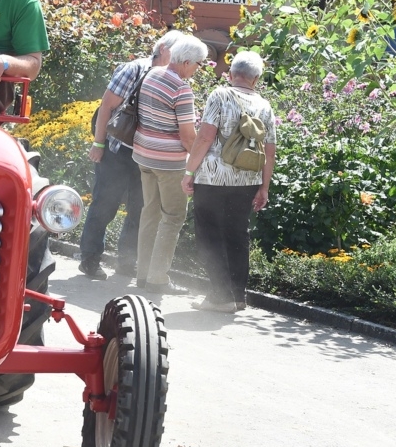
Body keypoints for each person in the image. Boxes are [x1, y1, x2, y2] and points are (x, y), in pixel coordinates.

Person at [78, 30, 185, 280]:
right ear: (163, 48)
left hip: (146, 154)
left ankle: (127, 262)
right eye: (177, 51)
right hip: (117, 150)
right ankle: (90, 259)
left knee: (141, 209)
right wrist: (98, 143)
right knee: (106, 203)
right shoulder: (134, 69)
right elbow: (106, 106)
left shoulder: (175, 78)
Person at [181, 50, 277, 312]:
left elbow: (205, 137)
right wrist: (264, 187)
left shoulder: (220, 95)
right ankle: (237, 296)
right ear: (256, 78)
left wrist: (189, 172)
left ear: (232, 74)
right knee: (237, 234)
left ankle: (219, 297)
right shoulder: (265, 106)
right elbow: (269, 151)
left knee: (209, 235)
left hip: (213, 177)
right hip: (247, 179)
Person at [133, 33, 207, 295]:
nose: (198, 70)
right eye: (199, 65)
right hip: (168, 163)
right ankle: (157, 278)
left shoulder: (152, 74)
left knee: (150, 212)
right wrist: (199, 162)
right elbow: (188, 136)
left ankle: (142, 274)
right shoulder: (181, 88)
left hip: (143, 155)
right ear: (187, 62)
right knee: (173, 216)